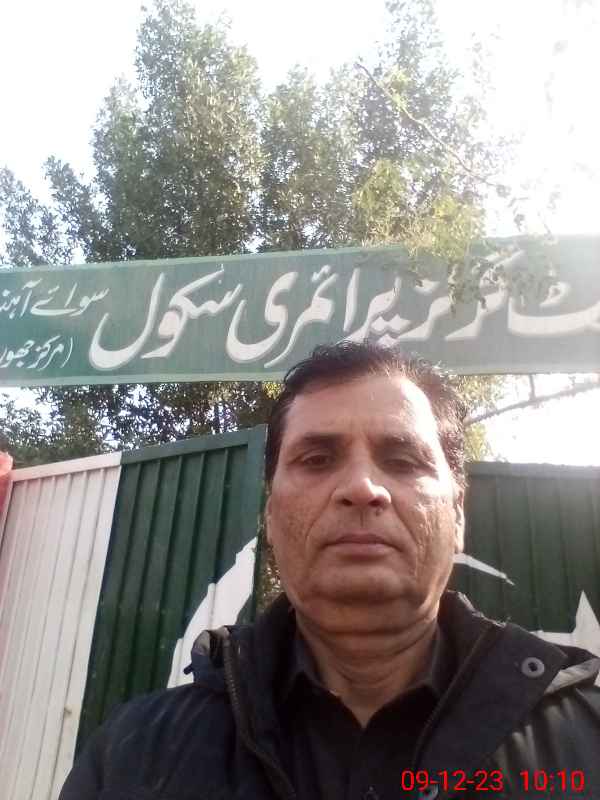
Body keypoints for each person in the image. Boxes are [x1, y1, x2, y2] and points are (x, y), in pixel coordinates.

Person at [60, 342, 600, 800]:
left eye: (402, 460)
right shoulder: (130, 759)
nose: (362, 488)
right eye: (317, 460)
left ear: (457, 515)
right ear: (270, 517)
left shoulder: (586, 736)